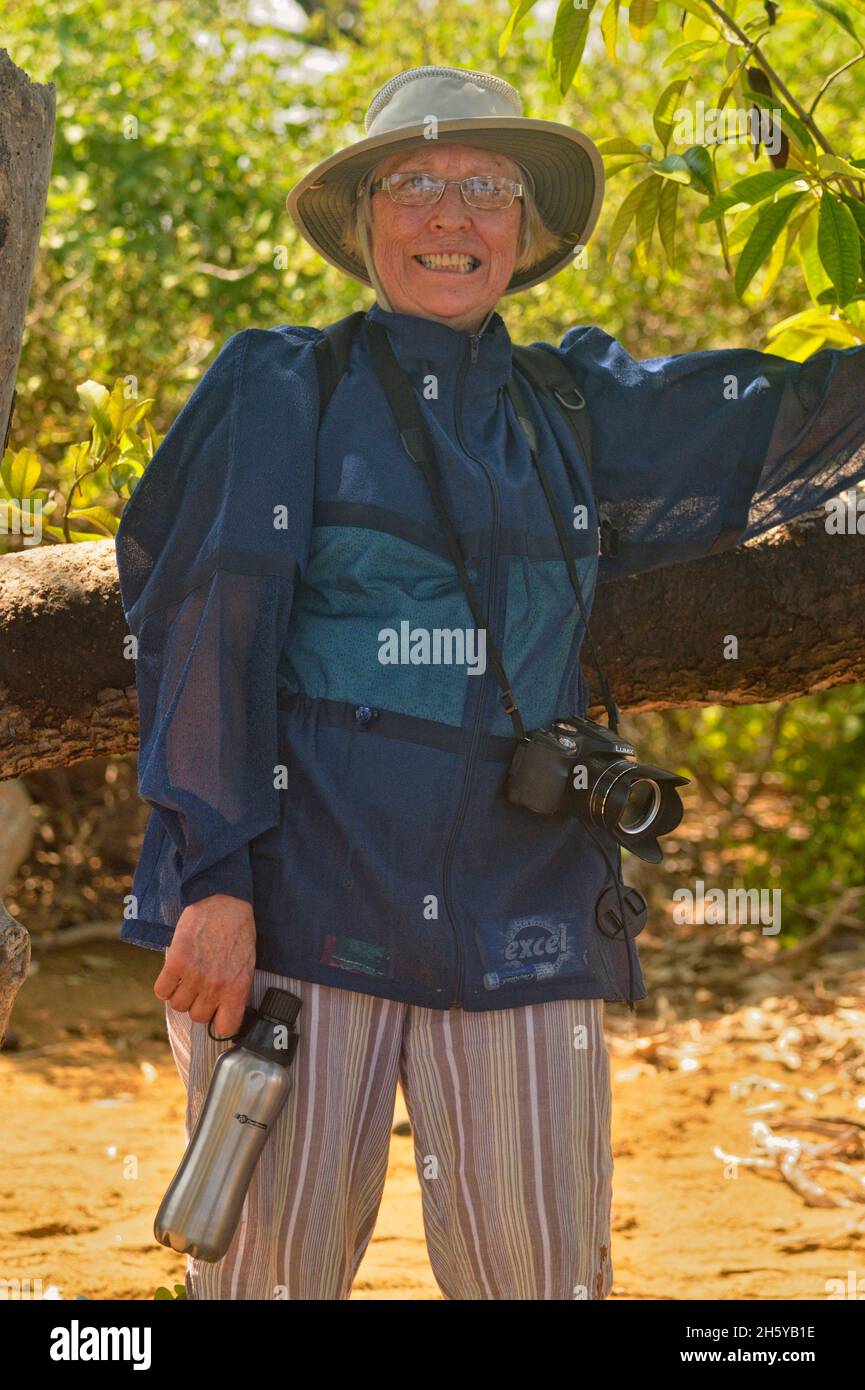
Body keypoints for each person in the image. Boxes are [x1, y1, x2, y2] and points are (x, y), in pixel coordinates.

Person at [114, 65, 865, 1300]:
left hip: (523, 908)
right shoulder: (281, 387)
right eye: (413, 183)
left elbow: (783, 412)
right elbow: (204, 627)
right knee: (266, 1280)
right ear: (362, 222)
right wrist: (209, 877)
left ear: (525, 233)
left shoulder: (571, 405)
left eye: (485, 187)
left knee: (544, 1279)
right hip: (301, 907)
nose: (449, 217)